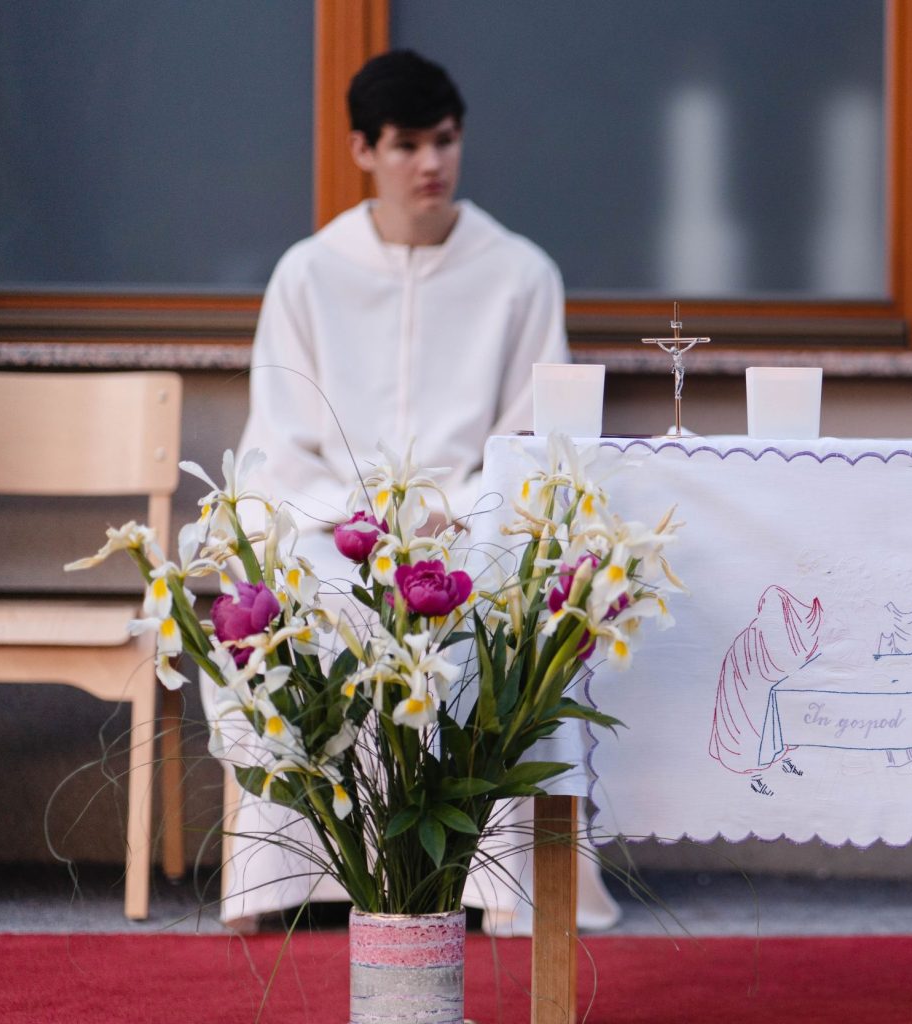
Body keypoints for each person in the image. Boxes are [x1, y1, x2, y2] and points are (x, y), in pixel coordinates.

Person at [215, 49, 619, 936]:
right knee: (307, 599)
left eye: (444, 140)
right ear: (362, 150)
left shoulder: (519, 273)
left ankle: (501, 885)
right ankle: (290, 877)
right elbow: (281, 438)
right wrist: (362, 519)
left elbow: (533, 438)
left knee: (504, 598)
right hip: (337, 526)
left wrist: (452, 512)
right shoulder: (308, 274)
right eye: (406, 145)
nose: (430, 163)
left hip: (467, 523)